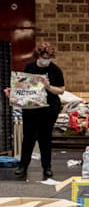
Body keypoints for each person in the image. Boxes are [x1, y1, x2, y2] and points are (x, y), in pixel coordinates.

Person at [4, 42, 65, 180]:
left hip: (49, 108)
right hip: (31, 108)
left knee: (45, 138)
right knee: (28, 138)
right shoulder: (30, 67)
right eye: (44, 57)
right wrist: (13, 92)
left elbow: (61, 90)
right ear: (38, 55)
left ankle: (47, 167)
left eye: (49, 57)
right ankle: (23, 166)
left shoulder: (55, 70)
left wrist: (48, 86)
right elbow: (23, 86)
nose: (46, 60)